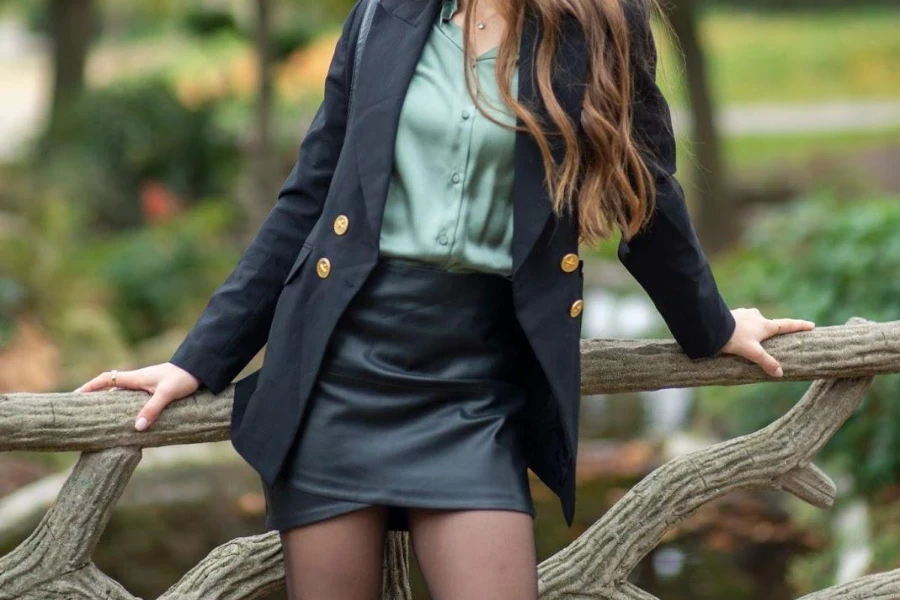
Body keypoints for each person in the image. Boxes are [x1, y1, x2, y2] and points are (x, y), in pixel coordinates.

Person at [75, 0, 815, 597]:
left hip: (474, 387)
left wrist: (710, 325)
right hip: (339, 373)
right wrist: (196, 361)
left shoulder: (602, 25)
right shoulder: (383, 18)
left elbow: (646, 195)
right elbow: (305, 203)